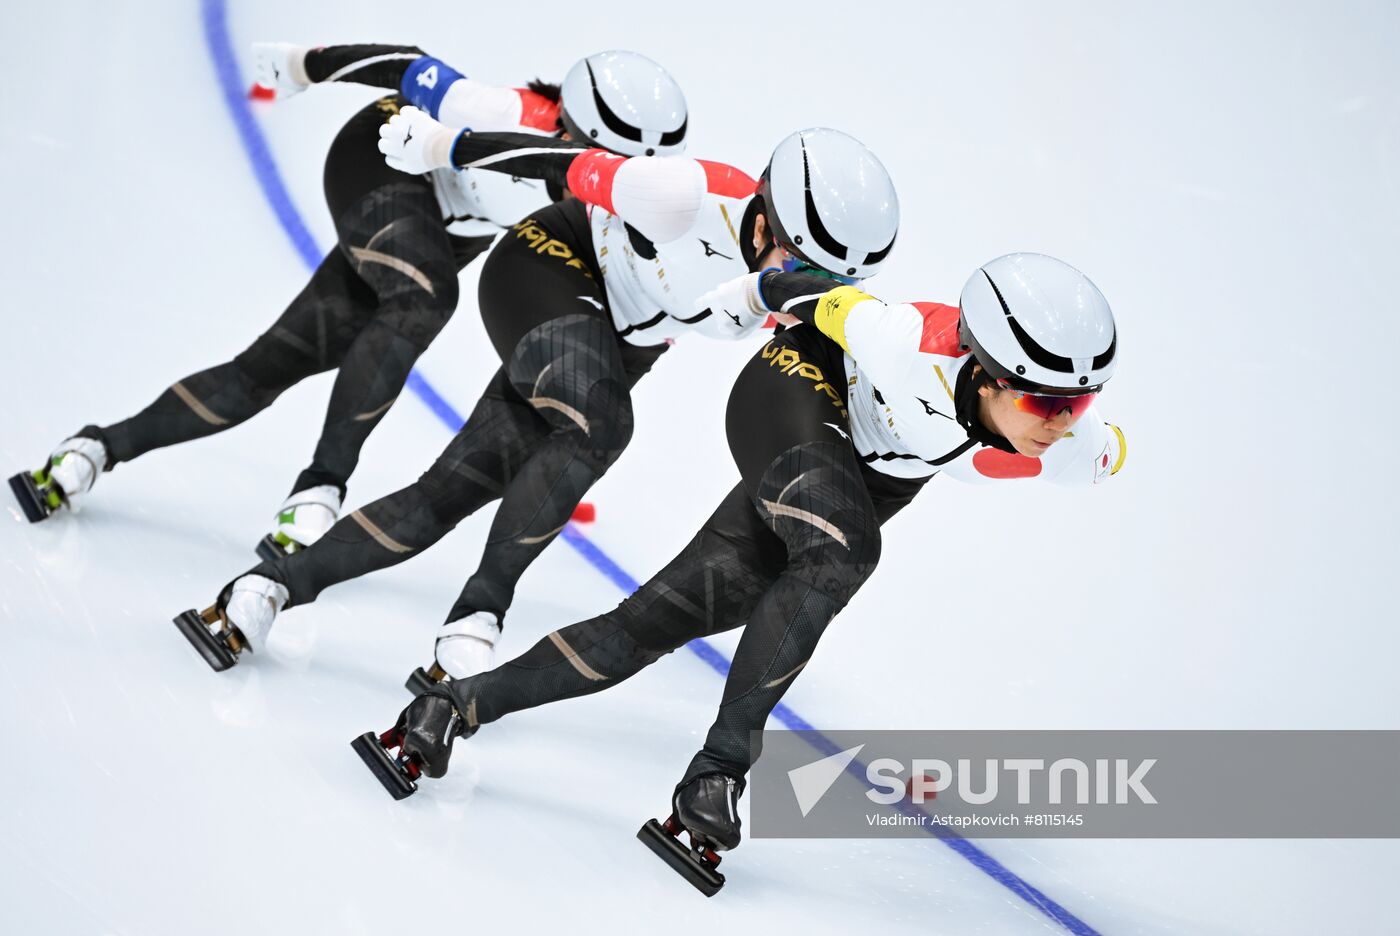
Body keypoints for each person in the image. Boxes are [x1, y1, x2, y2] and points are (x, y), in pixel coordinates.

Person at [356, 252, 1126, 865]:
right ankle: (718, 772)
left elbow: (1102, 451)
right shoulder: (901, 339)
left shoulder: (1068, 445)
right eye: (1047, 404)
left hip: (852, 474)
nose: (1063, 425)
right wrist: (746, 294)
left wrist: (1099, 437)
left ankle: (453, 706)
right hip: (792, 396)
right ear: (987, 370)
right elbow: (811, 290)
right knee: (846, 551)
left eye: (1079, 405)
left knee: (648, 625)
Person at [171, 114, 902, 684]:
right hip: (548, 265)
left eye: (829, 282)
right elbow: (563, 163)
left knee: (447, 495)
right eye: (802, 266)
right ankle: (480, 613)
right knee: (603, 425)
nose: (806, 291)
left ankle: (264, 588)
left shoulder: (807, 281)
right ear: (766, 219)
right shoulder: (685, 196)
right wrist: (444, 145)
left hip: (614, 340)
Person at [7, 42, 675, 563]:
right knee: (425, 297)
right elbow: (409, 66)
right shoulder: (500, 112)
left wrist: (568, 435)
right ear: (572, 126)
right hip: (380, 162)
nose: (608, 180)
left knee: (264, 371)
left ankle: (93, 449)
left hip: (435, 229)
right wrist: (305, 66)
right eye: (601, 159)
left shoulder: (620, 189)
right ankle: (322, 483)